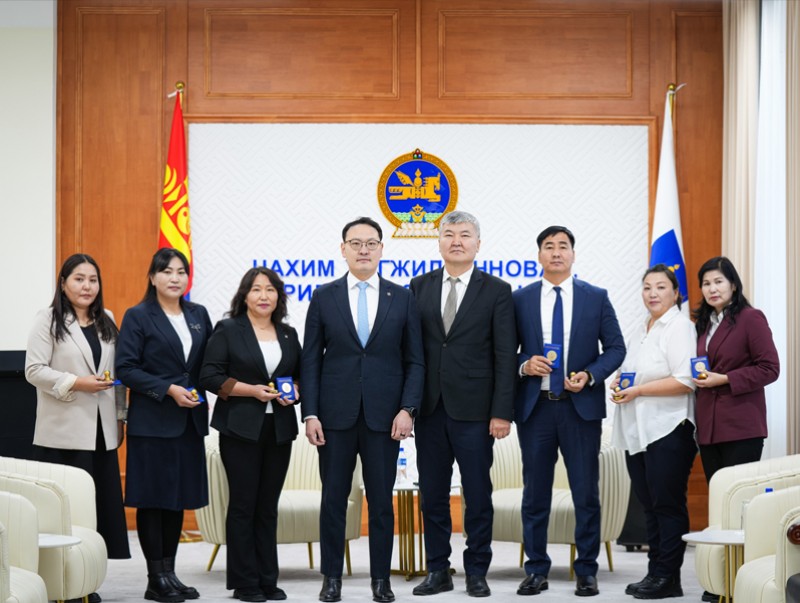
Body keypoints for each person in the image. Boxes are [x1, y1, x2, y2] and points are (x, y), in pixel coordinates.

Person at [301, 216, 424, 603]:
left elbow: (415, 361)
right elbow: (310, 361)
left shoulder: (402, 297)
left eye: (371, 243)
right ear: (343, 249)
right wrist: (311, 413)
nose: (364, 250)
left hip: (384, 419)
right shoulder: (324, 296)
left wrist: (408, 409)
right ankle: (331, 579)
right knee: (333, 501)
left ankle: (380, 581)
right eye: (356, 243)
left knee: (382, 504)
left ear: (382, 249)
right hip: (334, 418)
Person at [408, 210, 516, 598]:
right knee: (433, 496)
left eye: (465, 234)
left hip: (476, 412)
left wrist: (502, 411)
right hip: (430, 409)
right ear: (438, 242)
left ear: (477, 244)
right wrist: (408, 405)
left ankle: (476, 570)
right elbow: (412, 351)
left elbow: (505, 355)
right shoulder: (418, 286)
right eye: (449, 234)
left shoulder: (497, 290)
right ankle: (438, 569)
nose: (456, 241)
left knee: (478, 495)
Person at [513, 225, 625, 598]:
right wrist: (525, 364)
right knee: (535, 495)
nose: (556, 252)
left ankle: (587, 570)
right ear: (539, 255)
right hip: (537, 409)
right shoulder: (521, 299)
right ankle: (536, 570)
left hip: (580, 410)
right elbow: (504, 351)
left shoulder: (596, 297)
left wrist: (591, 375)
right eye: (549, 246)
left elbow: (616, 348)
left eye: (563, 246)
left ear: (573, 254)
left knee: (585, 494)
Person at [24, 253, 131, 603]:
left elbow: (117, 376)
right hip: (63, 433)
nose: (87, 286)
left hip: (102, 433)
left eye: (93, 280)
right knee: (65, 515)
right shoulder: (48, 319)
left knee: (94, 514)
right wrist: (76, 382)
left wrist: (120, 418)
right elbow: (34, 370)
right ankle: (63, 587)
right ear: (64, 283)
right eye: (79, 279)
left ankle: (86, 583)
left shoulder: (107, 319)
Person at [116, 248, 212, 603]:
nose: (175, 278)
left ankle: (169, 574)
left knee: (176, 500)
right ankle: (154, 577)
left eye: (181, 271)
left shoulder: (198, 314)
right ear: (153, 277)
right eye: (167, 271)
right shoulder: (138, 316)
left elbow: (207, 365)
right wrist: (168, 389)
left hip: (189, 422)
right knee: (153, 500)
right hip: (153, 423)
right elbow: (126, 368)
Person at [200, 268, 301, 602]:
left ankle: (267, 579)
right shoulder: (229, 329)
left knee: (267, 507)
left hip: (279, 429)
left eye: (270, 290)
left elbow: (300, 376)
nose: (263, 296)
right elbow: (210, 376)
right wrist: (251, 391)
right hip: (240, 429)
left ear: (278, 296)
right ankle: (245, 582)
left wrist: (293, 392)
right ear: (245, 295)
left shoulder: (288, 333)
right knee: (244, 505)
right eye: (256, 289)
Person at [611, 264, 698, 599]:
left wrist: (638, 391)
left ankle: (669, 578)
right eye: (647, 287)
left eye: (661, 287)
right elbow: (633, 372)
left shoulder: (679, 326)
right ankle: (654, 573)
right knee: (649, 506)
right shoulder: (642, 327)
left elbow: (685, 381)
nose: (652, 293)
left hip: (668, 429)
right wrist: (620, 383)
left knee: (667, 505)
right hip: (638, 431)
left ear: (675, 293)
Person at [693, 256, 779, 480]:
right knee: (717, 495)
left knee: (738, 496)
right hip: (708, 428)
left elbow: (770, 368)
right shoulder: (704, 324)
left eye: (718, 281)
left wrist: (725, 378)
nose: (712, 289)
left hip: (741, 426)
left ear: (733, 285)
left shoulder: (750, 318)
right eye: (706, 283)